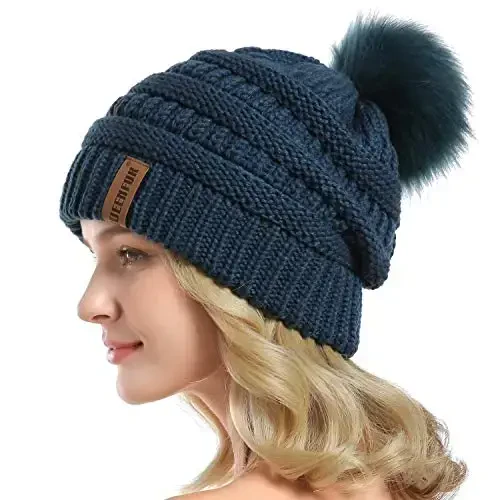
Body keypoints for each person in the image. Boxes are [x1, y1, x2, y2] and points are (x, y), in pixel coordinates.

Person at [58, 12, 474, 500]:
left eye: (131, 254)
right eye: (95, 254)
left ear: (259, 277)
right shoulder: (387, 487)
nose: (90, 305)